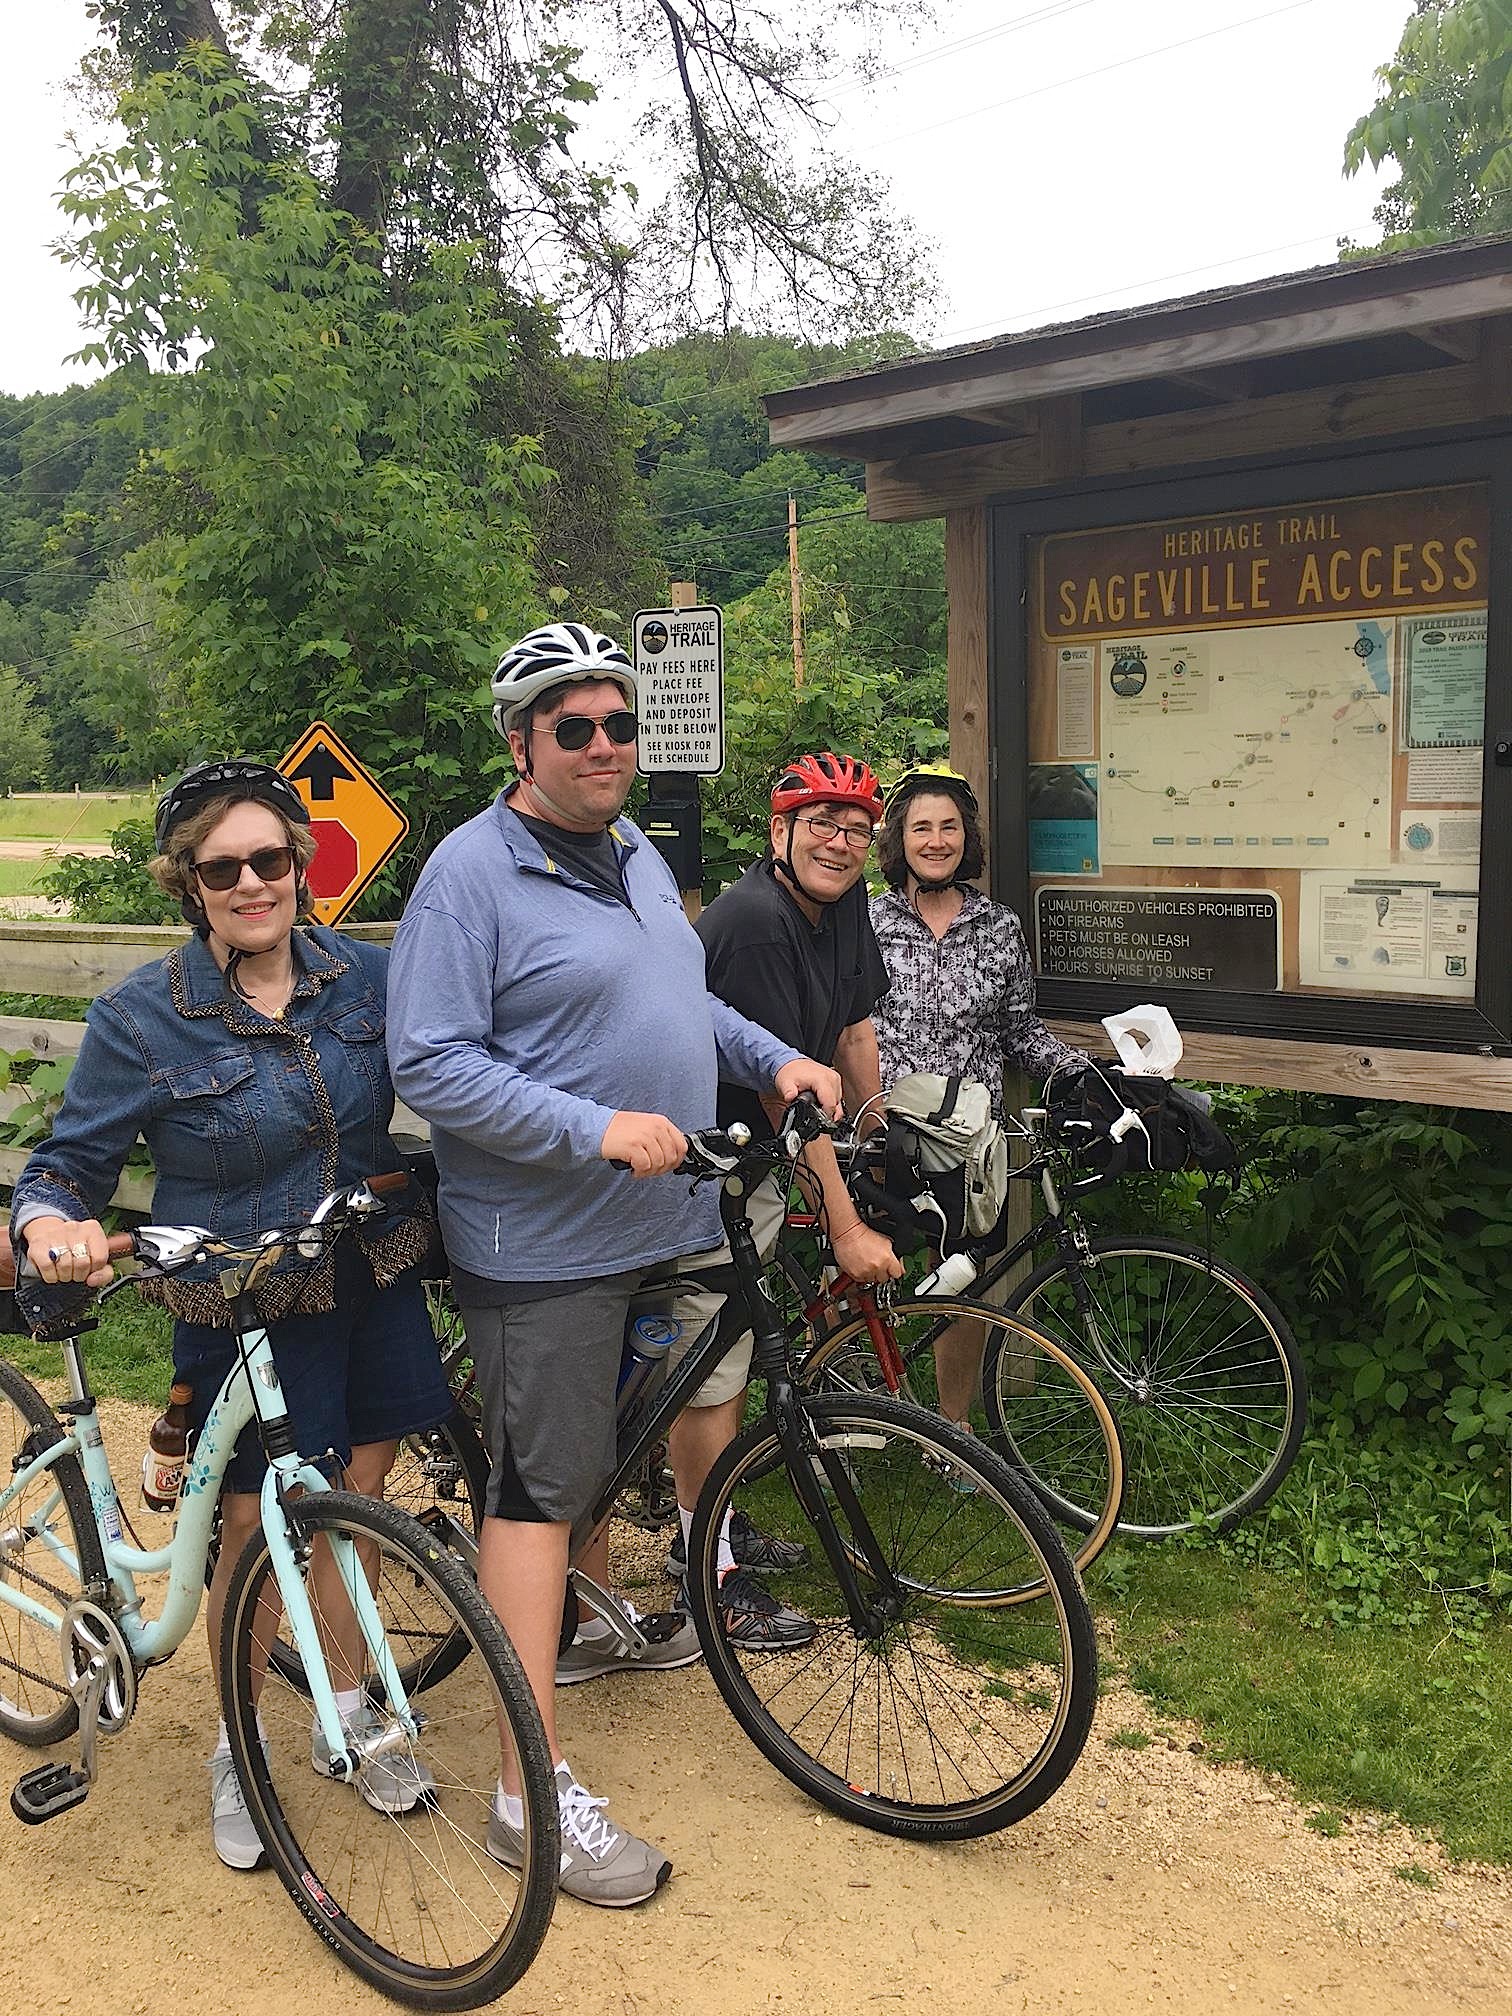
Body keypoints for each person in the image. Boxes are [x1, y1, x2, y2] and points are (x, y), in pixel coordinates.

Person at [386, 622, 842, 1910]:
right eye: (573, 726)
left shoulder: (637, 850)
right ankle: (526, 1799)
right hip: (541, 1245)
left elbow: (679, 994)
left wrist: (772, 1055)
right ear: (521, 743)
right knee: (538, 1491)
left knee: (631, 1441)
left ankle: (580, 1624)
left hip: (668, 1217)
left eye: (620, 724)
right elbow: (428, 1060)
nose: (604, 746)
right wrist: (588, 1128)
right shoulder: (470, 876)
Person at [7, 760, 452, 1871]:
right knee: (256, 1534)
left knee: (357, 1504)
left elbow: (469, 1064)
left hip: (365, 1273)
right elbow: (67, 1166)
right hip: (237, 1294)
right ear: (189, 885)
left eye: (272, 859)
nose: (253, 882)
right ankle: (238, 1740)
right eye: (224, 868)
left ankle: (345, 1706)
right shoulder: (142, 1018)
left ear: (303, 866)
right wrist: (48, 1225)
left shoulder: (367, 978)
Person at [665, 752, 904, 1630]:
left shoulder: (844, 907)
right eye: (822, 824)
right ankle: (708, 1573)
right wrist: (845, 1223)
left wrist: (879, 1136)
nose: (840, 843)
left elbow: (852, 1028)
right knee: (714, 1367)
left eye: (856, 829)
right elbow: (784, 1094)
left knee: (732, 1346)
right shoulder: (760, 922)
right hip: (708, 1163)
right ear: (780, 833)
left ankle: (710, 1520)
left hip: (764, 1157)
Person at [869, 763, 1087, 1429]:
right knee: (858, 1273)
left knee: (959, 1281)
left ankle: (950, 1428)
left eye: (949, 827)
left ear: (968, 838)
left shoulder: (998, 927)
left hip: (969, 1140)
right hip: (882, 1131)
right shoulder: (865, 920)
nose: (936, 840)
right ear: (899, 839)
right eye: (921, 827)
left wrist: (1086, 1073)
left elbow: (1021, 1029)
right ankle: (852, 1416)